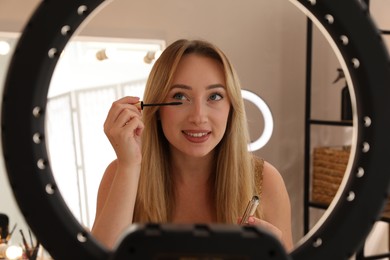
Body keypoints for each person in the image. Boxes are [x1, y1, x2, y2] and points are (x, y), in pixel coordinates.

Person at [91, 39, 293, 251]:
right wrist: (129, 166)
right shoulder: (120, 172)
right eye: (180, 96)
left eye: (214, 96)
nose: (198, 117)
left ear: (231, 108)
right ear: (156, 109)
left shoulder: (265, 180)